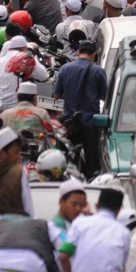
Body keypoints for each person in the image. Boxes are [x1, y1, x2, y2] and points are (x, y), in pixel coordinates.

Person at [59, 186, 132, 272]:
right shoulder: (124, 232)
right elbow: (121, 267)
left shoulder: (80, 223)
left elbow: (63, 256)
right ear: (119, 210)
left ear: (96, 206)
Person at [53, 40, 107, 179]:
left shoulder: (65, 69)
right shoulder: (98, 71)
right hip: (91, 122)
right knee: (92, 156)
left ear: (78, 53)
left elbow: (56, 95)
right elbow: (104, 95)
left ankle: (70, 178)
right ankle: (91, 180)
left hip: (70, 121)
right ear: (94, 54)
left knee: (69, 153)